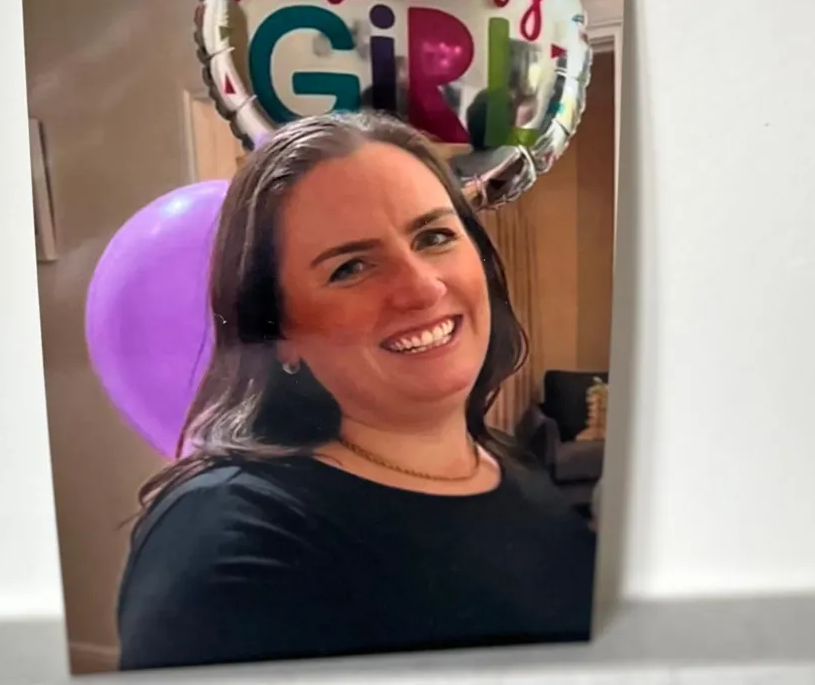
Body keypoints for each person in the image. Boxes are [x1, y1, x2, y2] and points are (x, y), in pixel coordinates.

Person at [115, 112, 596, 671]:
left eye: (434, 236)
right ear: (280, 335)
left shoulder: (505, 463)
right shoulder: (232, 539)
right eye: (351, 268)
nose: (421, 287)